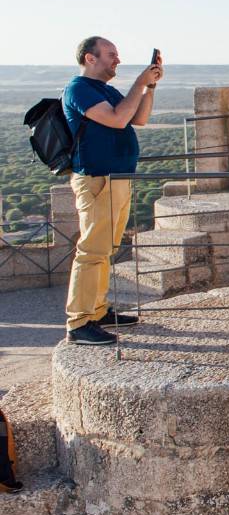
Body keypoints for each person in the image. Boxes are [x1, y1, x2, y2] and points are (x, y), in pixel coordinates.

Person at [62, 37, 163, 346]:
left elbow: (139, 118)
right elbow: (118, 120)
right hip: (97, 180)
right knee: (92, 251)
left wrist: (149, 87)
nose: (117, 59)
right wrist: (138, 81)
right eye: (111, 55)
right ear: (90, 59)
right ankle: (79, 322)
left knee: (105, 249)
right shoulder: (79, 89)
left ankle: (98, 310)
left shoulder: (105, 90)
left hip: (116, 178)